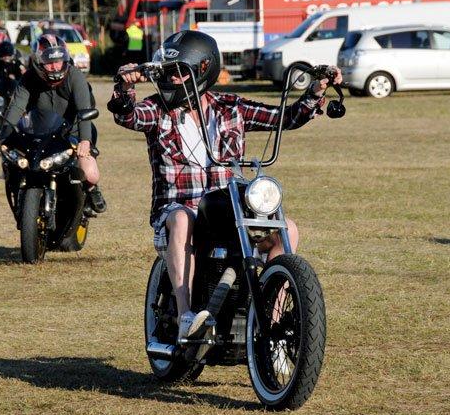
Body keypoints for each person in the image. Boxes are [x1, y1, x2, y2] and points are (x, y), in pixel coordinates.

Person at [108, 30, 340, 341]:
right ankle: (186, 314)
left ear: (203, 70)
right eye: (168, 72)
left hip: (225, 208)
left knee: (289, 229)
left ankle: (269, 321)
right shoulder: (158, 110)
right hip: (179, 209)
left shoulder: (231, 108)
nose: (171, 80)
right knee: (181, 217)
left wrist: (314, 91)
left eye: (179, 73)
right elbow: (128, 115)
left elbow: (286, 117)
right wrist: (124, 87)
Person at [0, 34, 106, 213]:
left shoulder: (75, 75)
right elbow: (15, 108)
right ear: (38, 61)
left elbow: (84, 111)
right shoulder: (28, 79)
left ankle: (91, 189)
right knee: (16, 167)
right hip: (41, 134)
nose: (55, 66)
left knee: (91, 174)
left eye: (58, 60)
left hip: (74, 131)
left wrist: (85, 141)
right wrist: (5, 136)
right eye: (49, 61)